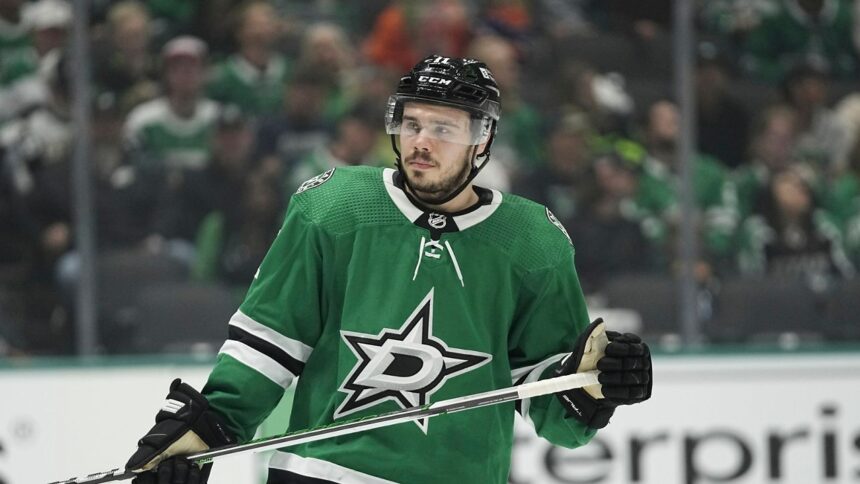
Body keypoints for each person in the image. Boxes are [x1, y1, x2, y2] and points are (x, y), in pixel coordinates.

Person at [125, 55, 653, 484]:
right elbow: (269, 344)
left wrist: (595, 386)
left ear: (483, 140)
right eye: (412, 122)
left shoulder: (533, 242)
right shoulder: (334, 207)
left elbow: (547, 397)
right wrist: (202, 432)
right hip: (324, 472)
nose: (421, 141)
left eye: (444, 127)